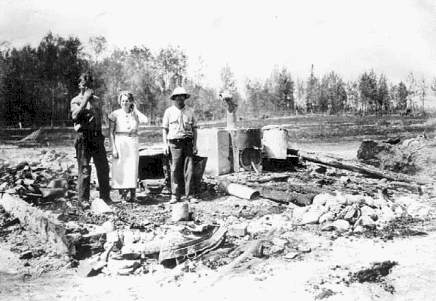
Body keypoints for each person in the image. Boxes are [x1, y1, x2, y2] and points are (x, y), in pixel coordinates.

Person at [70, 72, 111, 204]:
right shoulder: (75, 100)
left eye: (89, 85)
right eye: (84, 85)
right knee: (85, 168)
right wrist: (85, 100)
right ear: (79, 86)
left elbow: (99, 118)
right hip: (84, 137)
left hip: (96, 137)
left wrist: (101, 134)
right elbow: (75, 116)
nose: (86, 88)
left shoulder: (97, 100)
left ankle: (105, 197)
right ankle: (83, 200)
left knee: (103, 167)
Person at [108, 91, 148, 202]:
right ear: (120, 102)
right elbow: (110, 132)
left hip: (133, 142)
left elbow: (145, 120)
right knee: (121, 168)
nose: (125, 103)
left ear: (131, 102)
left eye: (127, 101)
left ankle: (133, 194)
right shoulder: (115, 114)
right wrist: (113, 148)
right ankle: (123, 195)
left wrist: (135, 110)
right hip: (120, 141)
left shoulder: (135, 114)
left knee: (132, 167)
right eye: (123, 101)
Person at [162, 87, 199, 204]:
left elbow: (195, 129)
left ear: (185, 98)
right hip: (174, 143)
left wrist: (195, 145)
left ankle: (190, 195)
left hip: (188, 142)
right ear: (174, 98)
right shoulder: (169, 111)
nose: (180, 98)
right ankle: (175, 195)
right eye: (177, 96)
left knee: (189, 169)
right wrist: (165, 145)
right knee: (174, 169)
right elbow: (164, 129)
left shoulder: (190, 111)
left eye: (182, 96)